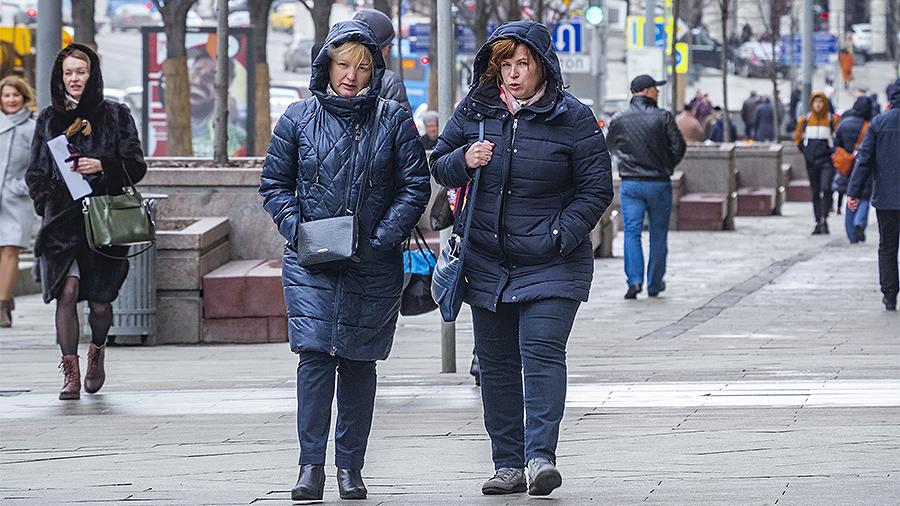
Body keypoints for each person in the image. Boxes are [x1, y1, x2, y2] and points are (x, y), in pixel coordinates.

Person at [430, 21, 612, 496]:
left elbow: (597, 188)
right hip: (487, 261)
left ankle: (540, 457)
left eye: (522, 64)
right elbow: (440, 163)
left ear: (542, 65)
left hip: (552, 262)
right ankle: (507, 463)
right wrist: (465, 159)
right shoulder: (476, 108)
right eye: (505, 65)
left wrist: (560, 234)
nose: (513, 75)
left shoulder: (572, 116)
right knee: (496, 364)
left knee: (542, 352)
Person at [259, 21, 430, 502]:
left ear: (375, 70)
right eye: (343, 64)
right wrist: (297, 230)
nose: (351, 75)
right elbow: (274, 184)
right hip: (311, 259)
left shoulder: (393, 119)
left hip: (372, 260)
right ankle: (309, 466)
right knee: (314, 358)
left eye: (362, 66)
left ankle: (350, 468)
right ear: (325, 65)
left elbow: (414, 186)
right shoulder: (297, 118)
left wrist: (381, 238)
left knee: (358, 362)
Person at [25, 44, 147, 400]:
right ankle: (70, 372)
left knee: (100, 302)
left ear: (92, 75)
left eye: (81, 72)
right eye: (68, 73)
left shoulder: (116, 114)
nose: (74, 79)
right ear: (59, 77)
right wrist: (46, 202)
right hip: (61, 224)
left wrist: (103, 166)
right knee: (68, 289)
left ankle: (96, 352)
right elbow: (35, 172)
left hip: (104, 221)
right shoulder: (49, 118)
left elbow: (136, 166)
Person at [608, 75, 685, 299]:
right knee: (658, 235)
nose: (658, 92)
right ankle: (654, 283)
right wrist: (666, 164)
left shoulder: (619, 119)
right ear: (647, 91)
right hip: (659, 183)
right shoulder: (663, 117)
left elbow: (610, 146)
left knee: (631, 233)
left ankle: (634, 280)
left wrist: (627, 161)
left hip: (630, 183)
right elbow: (678, 146)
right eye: (655, 89)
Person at [848, 78, 900, 311]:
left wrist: (854, 192)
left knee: (887, 247)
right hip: (888, 197)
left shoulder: (879, 123)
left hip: (887, 199)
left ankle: (890, 295)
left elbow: (864, 160)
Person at [0, 76, 36, 327]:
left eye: (15, 95)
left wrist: (22, 187)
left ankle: (2, 306)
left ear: (24, 98)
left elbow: (40, 165)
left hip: (17, 199)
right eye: (6, 95)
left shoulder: (33, 128)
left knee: (11, 248)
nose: (11, 99)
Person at [794, 91, 840, 234]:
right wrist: (806, 152)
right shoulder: (805, 120)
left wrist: (833, 153)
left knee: (826, 188)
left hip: (827, 161)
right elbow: (798, 139)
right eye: (816, 102)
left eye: (821, 102)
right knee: (815, 191)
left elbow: (837, 138)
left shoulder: (831, 120)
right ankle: (818, 220)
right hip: (812, 162)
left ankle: (824, 218)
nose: (818, 105)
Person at [353, 9, 412, 113]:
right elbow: (404, 126)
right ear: (380, 48)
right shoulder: (389, 82)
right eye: (389, 46)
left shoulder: (332, 75)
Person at [833, 96, 874, 243]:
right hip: (865, 165)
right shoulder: (870, 126)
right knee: (864, 197)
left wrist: (846, 153)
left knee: (851, 197)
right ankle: (860, 223)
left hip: (847, 166)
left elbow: (836, 144)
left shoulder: (844, 124)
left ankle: (851, 234)